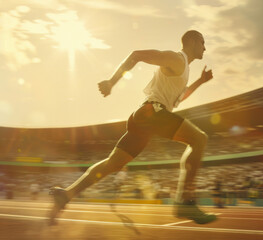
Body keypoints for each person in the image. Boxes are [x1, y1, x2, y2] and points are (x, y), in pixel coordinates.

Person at [48, 30, 217, 225]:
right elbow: (137, 55)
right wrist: (111, 82)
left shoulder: (184, 69)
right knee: (199, 139)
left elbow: (179, 98)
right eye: (203, 42)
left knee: (113, 164)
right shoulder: (176, 58)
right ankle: (185, 201)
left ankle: (66, 194)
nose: (205, 47)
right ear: (193, 41)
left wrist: (200, 81)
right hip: (151, 113)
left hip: (146, 118)